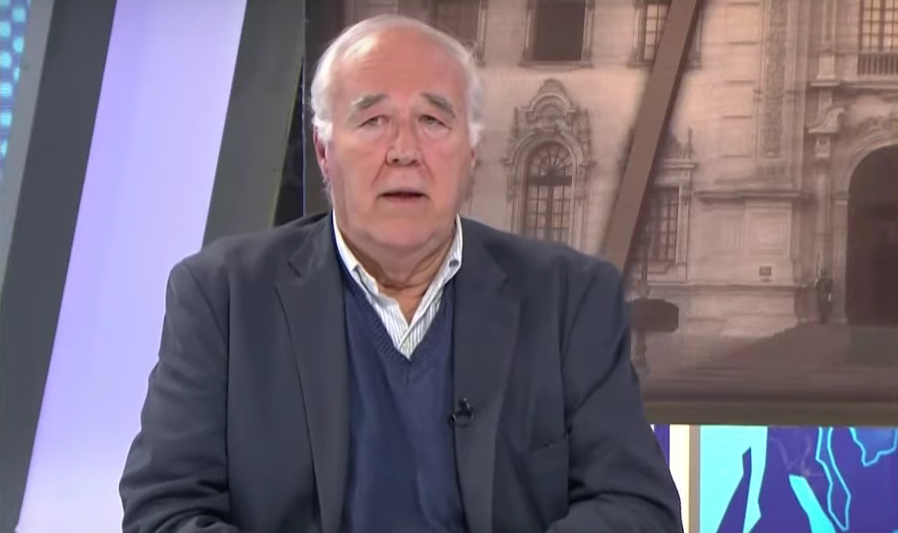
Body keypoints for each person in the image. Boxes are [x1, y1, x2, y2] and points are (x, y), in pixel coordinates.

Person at [119, 14, 682, 533]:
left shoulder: (571, 299)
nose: (404, 151)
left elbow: (638, 508)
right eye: (373, 121)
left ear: (471, 153)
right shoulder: (223, 297)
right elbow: (165, 511)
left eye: (433, 120)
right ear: (323, 152)